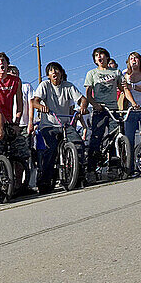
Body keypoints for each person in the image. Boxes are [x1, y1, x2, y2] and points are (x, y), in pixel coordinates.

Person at [31, 61, 85, 192]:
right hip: (49, 125)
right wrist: (41, 107)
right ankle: (45, 182)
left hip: (65, 123)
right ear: (48, 75)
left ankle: (78, 177)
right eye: (51, 71)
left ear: (61, 73)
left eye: (56, 70)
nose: (54, 72)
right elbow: (34, 101)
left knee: (78, 143)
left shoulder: (68, 86)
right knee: (52, 148)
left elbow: (82, 99)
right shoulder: (45, 85)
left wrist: (82, 107)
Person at [80, 47, 127, 179]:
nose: (99, 57)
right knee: (96, 139)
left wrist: (134, 104)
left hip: (113, 109)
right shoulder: (91, 73)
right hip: (99, 110)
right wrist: (95, 105)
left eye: (101, 55)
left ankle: (114, 168)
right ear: (95, 60)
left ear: (107, 57)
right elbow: (88, 94)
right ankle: (91, 170)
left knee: (115, 139)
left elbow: (124, 89)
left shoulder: (116, 72)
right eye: (96, 56)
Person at [0, 52, 29, 168]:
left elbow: (20, 103)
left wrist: (17, 122)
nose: (1, 63)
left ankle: (20, 184)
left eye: (3, 61)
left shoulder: (16, 81)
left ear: (7, 64)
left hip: (10, 123)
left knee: (21, 152)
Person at [122, 52, 141, 174]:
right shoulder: (125, 74)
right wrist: (134, 103)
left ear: (140, 61)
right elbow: (125, 90)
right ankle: (129, 168)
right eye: (131, 59)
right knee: (129, 140)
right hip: (132, 110)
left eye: (136, 58)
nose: (134, 60)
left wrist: (132, 86)